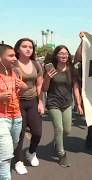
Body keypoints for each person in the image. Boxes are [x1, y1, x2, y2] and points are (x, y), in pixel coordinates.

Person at [13, 38, 44, 175]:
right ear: (18, 48)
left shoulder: (36, 64)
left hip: (33, 102)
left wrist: (41, 102)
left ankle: (31, 152)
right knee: (19, 135)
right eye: (24, 46)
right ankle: (18, 161)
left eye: (30, 47)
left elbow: (39, 85)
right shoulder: (13, 65)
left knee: (37, 133)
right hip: (17, 102)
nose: (28, 49)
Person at [42, 45, 75, 167]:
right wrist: (48, 78)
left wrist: (80, 104)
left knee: (67, 130)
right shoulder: (50, 69)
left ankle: (57, 142)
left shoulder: (71, 69)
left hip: (66, 103)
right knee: (59, 129)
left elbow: (75, 87)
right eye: (61, 53)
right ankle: (61, 154)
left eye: (66, 53)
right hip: (53, 102)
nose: (64, 55)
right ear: (56, 55)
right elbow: (44, 89)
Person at [0, 44, 27, 180]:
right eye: (10, 55)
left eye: (14, 55)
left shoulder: (16, 72)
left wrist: (24, 87)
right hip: (1, 119)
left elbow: (20, 92)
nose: (14, 58)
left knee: (12, 146)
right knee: (5, 158)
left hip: (16, 117)